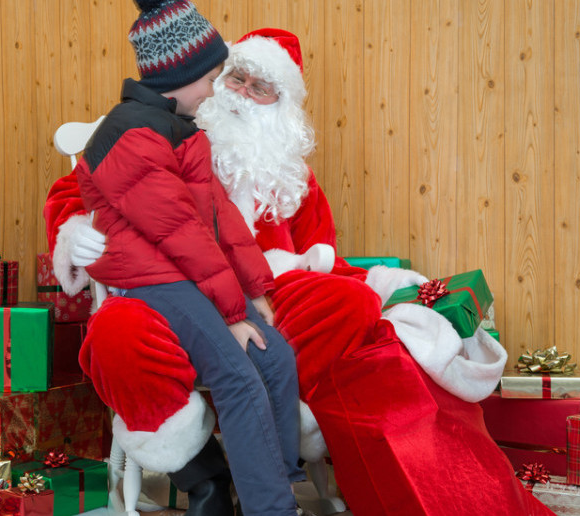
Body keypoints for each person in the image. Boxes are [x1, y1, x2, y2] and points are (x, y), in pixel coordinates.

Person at [49, 27, 554, 516]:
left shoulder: (291, 177)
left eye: (260, 86)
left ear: (283, 105)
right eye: (235, 79)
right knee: (118, 334)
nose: (242, 94)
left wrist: (368, 285)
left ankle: (275, 473)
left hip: (262, 290)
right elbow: (85, 193)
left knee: (342, 309)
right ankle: (203, 476)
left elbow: (320, 254)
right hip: (159, 290)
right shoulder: (154, 134)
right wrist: (73, 232)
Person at [63, 3, 306, 516]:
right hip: (149, 279)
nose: (219, 86)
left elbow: (221, 220)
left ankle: (276, 489)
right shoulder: (131, 135)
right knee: (239, 378)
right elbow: (181, 235)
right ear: (182, 76)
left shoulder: (181, 123)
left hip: (185, 274)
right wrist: (233, 313)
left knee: (276, 359)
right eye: (215, 76)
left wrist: (257, 290)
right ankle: (273, 510)